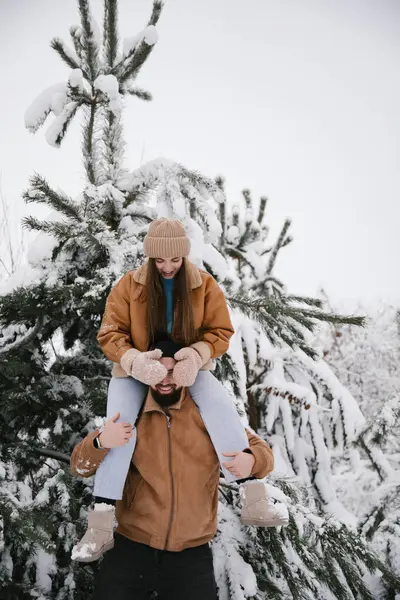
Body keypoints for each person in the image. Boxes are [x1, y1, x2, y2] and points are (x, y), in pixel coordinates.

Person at [72, 218, 279, 563]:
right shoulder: (128, 286)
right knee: (120, 428)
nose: (167, 267)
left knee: (220, 406)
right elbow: (110, 333)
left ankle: (253, 497)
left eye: (175, 260)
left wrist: (196, 355)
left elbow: (220, 331)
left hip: (186, 367)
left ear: (185, 256)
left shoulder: (204, 286)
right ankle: (101, 525)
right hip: (134, 369)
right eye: (159, 261)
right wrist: (134, 361)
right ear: (149, 259)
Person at [70, 340, 275, 599]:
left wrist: (252, 460)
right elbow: (79, 465)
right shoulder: (130, 415)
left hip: (190, 555)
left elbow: (263, 452)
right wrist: (100, 441)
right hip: (131, 548)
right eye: (157, 371)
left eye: (172, 372)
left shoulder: (208, 415)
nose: (165, 380)